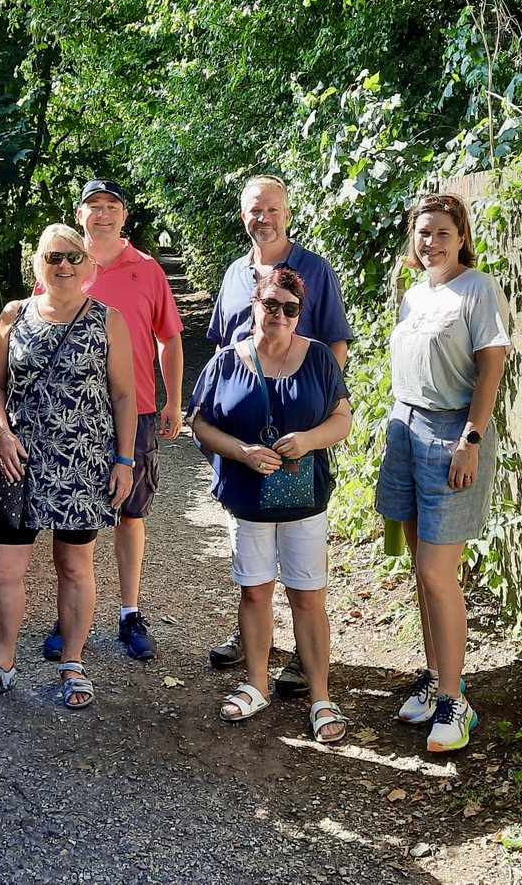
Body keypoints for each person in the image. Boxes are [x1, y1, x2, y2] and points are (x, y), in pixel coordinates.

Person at [0, 223, 137, 710]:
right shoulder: (13, 316)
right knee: (1, 570)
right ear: (38, 263)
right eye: (54, 257)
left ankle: (72, 664)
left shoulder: (107, 320)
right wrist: (2, 435)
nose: (65, 266)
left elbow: (123, 394)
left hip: (84, 465)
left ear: (89, 266)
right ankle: (1, 667)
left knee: (74, 565)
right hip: (19, 461)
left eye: (74, 257)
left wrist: (124, 459)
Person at [205, 174, 353, 695]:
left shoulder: (313, 269)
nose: (262, 217)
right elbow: (225, 350)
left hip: (298, 442)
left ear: (287, 213)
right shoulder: (232, 275)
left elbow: (332, 345)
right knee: (252, 563)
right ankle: (255, 652)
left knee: (303, 568)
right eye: (253, 209)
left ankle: (298, 662)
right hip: (247, 444)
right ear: (242, 215)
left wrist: (310, 415)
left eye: (271, 208)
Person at [190, 268, 352, 743]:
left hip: (305, 498)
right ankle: (256, 684)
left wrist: (308, 439)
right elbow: (199, 423)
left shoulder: (319, 358)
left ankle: (321, 696)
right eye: (271, 305)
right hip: (246, 498)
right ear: (253, 306)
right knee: (255, 592)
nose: (279, 315)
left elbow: (342, 418)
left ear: (299, 313)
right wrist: (241, 452)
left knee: (307, 596)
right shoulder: (225, 361)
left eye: (290, 308)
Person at [376, 193, 512, 753]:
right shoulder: (412, 294)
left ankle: (457, 701)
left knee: (437, 571)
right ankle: (434, 679)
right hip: (404, 429)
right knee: (418, 568)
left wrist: (471, 439)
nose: (431, 242)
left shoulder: (476, 288)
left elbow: (492, 366)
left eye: (442, 233)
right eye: (422, 233)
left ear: (461, 237)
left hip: (452, 433)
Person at [38, 179, 183, 661]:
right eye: (93, 206)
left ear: (124, 216)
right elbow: (37, 328)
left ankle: (129, 612)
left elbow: (170, 337)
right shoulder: (63, 263)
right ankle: (69, 614)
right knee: (74, 517)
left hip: (136, 406)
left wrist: (172, 399)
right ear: (81, 215)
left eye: (112, 206)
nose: (103, 214)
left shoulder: (147, 269)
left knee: (130, 510)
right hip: (74, 412)